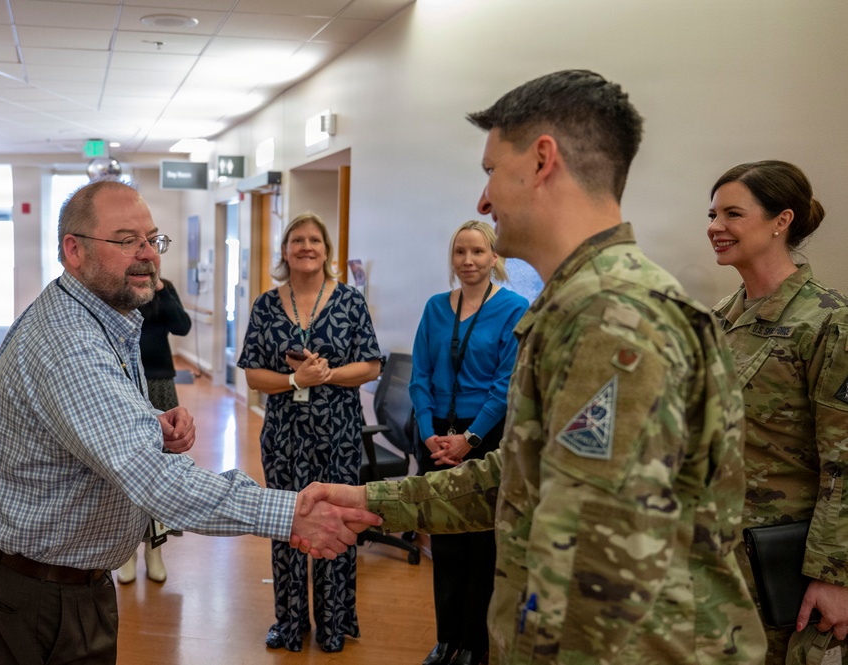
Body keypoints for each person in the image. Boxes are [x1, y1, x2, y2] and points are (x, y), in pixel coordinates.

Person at [295, 69, 767, 663]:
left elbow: (598, 573)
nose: (483, 200)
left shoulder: (612, 320)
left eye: (491, 170)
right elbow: (519, 482)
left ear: (543, 161)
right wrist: (372, 503)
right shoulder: (574, 307)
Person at [0, 180, 381, 665]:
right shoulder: (70, 344)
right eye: (126, 240)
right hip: (45, 592)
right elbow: (154, 478)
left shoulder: (105, 318)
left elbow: (94, 419)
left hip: (64, 578)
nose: (147, 254)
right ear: (73, 250)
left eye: (152, 239)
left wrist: (148, 422)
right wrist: (288, 513)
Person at [707, 160, 848, 664]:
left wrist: (836, 575)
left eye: (732, 214)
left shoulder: (828, 321)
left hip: (785, 570)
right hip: (715, 561)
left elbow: (845, 460)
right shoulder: (719, 319)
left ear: (780, 220)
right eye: (713, 214)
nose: (715, 227)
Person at [237, 212, 382, 653]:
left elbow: (371, 365)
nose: (305, 246)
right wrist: (297, 382)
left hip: (337, 433)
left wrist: (327, 375)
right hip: (283, 436)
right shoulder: (266, 305)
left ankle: (334, 622)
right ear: (284, 251)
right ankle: (289, 621)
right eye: (296, 240)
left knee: (337, 523)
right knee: (287, 523)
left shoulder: (350, 302)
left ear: (326, 251)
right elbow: (254, 376)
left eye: (314, 240)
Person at [410, 220, 527, 665]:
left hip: (485, 436)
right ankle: (447, 639)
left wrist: (471, 438)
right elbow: (419, 376)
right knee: (444, 540)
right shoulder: (436, 307)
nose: (468, 260)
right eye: (460, 252)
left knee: (481, 544)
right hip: (435, 433)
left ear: (494, 257)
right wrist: (427, 434)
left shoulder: (514, 308)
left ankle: (475, 645)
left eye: (478, 252)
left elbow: (506, 383)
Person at [117, 276, 192, 584]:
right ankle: (126, 551)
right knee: (126, 464)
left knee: (161, 467)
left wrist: (161, 288)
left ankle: (154, 548)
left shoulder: (164, 288)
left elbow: (182, 326)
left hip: (160, 381)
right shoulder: (118, 284)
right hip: (124, 380)